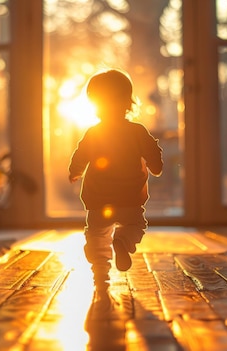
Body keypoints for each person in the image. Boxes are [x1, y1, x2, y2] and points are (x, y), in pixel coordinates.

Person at [68, 69, 163, 292]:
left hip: (99, 199)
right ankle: (123, 241)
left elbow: (80, 154)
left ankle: (100, 273)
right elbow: (153, 153)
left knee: (97, 236)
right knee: (135, 225)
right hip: (130, 198)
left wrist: (76, 171)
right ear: (128, 102)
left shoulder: (94, 132)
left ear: (95, 105)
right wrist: (155, 166)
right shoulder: (137, 131)